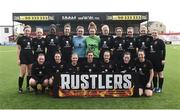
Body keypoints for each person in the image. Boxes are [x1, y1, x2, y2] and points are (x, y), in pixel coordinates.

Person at [17, 25, 34, 93]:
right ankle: (20, 88)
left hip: (30, 57)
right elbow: (18, 49)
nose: (27, 32)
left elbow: (32, 49)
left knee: (29, 73)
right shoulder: (20, 39)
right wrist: (18, 59)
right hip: (23, 57)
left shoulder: (31, 39)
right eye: (26, 30)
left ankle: (28, 87)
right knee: (23, 73)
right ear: (24, 31)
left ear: (30, 32)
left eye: (28, 31)